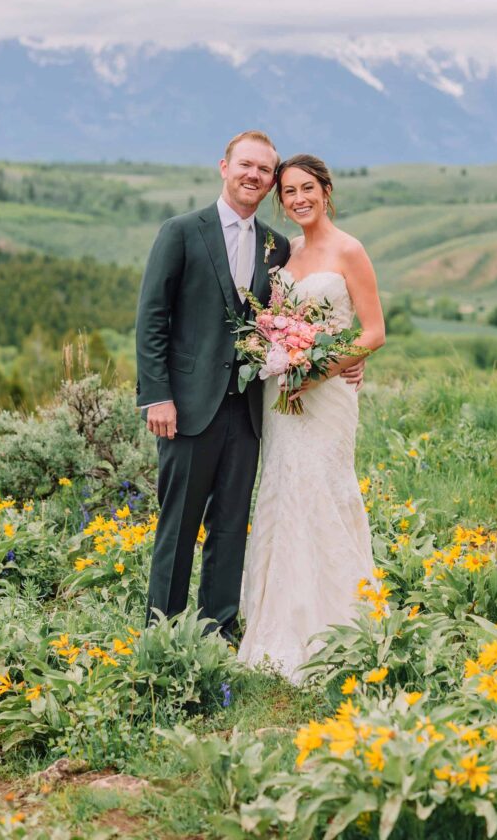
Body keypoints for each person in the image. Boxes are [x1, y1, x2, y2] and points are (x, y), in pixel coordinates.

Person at [135, 132, 363, 641]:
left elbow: (299, 316)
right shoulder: (181, 231)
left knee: (231, 525)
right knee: (179, 524)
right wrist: (157, 395)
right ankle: (164, 635)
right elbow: (152, 317)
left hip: (251, 408)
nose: (254, 176)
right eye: (247, 165)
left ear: (270, 185)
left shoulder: (276, 245)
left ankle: (218, 630)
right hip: (188, 405)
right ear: (224, 166)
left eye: (265, 171)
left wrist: (342, 359)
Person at [238, 153, 386, 682]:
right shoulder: (285, 252)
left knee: (323, 489)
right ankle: (277, 627)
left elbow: (372, 332)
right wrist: (280, 353)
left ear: (326, 190)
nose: (298, 199)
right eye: (289, 193)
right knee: (283, 490)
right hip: (282, 395)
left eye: (307, 188)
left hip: (324, 397)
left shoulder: (350, 250)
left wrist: (321, 369)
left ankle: (341, 625)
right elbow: (271, 321)